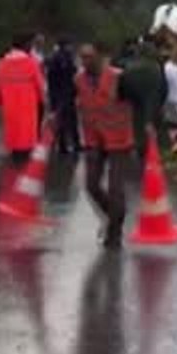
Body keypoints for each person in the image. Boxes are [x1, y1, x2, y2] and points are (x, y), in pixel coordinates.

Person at [76, 42, 134, 249]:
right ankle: (114, 215)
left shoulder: (119, 77)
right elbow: (78, 103)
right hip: (94, 139)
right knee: (91, 185)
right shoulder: (79, 79)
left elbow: (139, 100)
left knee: (115, 187)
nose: (85, 62)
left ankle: (115, 233)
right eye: (82, 57)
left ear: (100, 57)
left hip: (119, 138)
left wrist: (146, 125)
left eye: (89, 57)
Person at [0, 33, 46, 161]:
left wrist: (0, 99)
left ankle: (15, 150)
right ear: (24, 46)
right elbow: (39, 84)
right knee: (25, 130)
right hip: (27, 104)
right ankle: (23, 152)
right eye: (29, 44)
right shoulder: (30, 63)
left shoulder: (3, 63)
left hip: (9, 104)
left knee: (13, 128)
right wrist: (42, 99)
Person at [120, 38, 167, 158]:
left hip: (135, 102)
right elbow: (164, 88)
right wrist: (161, 103)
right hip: (152, 100)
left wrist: (125, 97)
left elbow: (122, 85)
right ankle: (152, 152)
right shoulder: (156, 67)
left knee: (137, 125)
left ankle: (139, 148)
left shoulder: (129, 66)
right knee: (151, 124)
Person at [46, 37, 81, 154]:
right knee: (68, 120)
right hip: (64, 93)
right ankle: (69, 145)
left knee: (64, 120)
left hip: (59, 93)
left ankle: (65, 145)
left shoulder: (55, 58)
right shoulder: (63, 59)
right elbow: (72, 74)